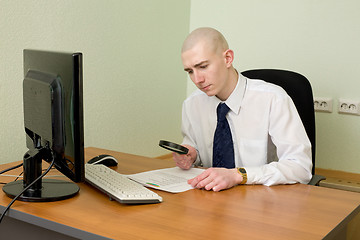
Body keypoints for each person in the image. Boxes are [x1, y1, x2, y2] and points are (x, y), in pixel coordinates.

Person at [173, 27, 312, 191]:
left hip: (263, 200)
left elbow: (300, 167)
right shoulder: (192, 104)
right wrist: (192, 155)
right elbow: (194, 147)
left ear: (228, 58)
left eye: (203, 66)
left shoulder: (273, 99)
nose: (197, 79)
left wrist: (238, 175)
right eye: (190, 71)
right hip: (210, 198)